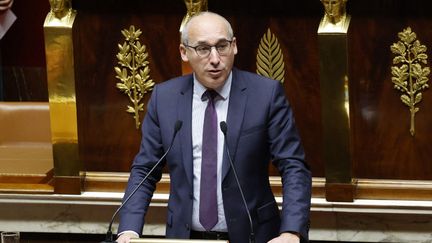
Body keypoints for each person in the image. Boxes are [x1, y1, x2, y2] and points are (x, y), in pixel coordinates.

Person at [117, 11, 312, 243]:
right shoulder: (165, 98)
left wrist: (292, 231)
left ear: (235, 46)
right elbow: (144, 169)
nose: (215, 58)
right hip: (184, 237)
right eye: (202, 49)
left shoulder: (265, 95)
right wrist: (128, 229)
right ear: (184, 52)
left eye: (222, 46)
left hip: (255, 236)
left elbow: (293, 166)